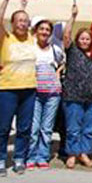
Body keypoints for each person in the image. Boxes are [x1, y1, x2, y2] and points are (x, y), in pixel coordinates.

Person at [0, 0, 36, 176]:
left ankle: (19, 159)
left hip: (29, 90)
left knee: (24, 128)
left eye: (25, 21)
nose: (22, 24)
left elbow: (22, 19)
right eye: (19, 21)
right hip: (8, 89)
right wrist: (6, 0)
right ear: (13, 24)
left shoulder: (31, 39)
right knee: (4, 126)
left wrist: (22, 8)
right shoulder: (6, 38)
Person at [62, 5, 92, 169]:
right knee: (73, 128)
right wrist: (73, 16)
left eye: (88, 39)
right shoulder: (72, 51)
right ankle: (72, 154)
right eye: (82, 38)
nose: (85, 41)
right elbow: (66, 35)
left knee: (88, 128)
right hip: (73, 96)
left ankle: (84, 153)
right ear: (78, 39)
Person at [26, 19, 64, 170]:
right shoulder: (30, 48)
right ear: (36, 31)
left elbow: (62, 63)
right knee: (34, 127)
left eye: (47, 30)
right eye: (41, 29)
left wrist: (57, 72)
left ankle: (42, 157)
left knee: (46, 128)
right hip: (34, 93)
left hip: (53, 94)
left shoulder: (55, 49)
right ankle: (30, 156)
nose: (44, 32)